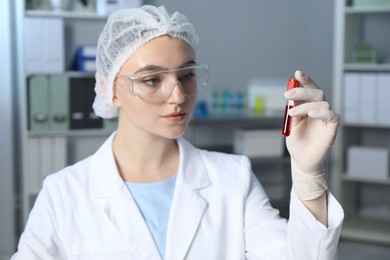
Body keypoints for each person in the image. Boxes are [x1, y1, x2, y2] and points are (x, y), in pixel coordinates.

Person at [12, 5, 344, 260]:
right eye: (152, 79)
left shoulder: (233, 179)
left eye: (186, 75)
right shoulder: (63, 194)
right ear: (111, 90)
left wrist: (307, 173)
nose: (178, 96)